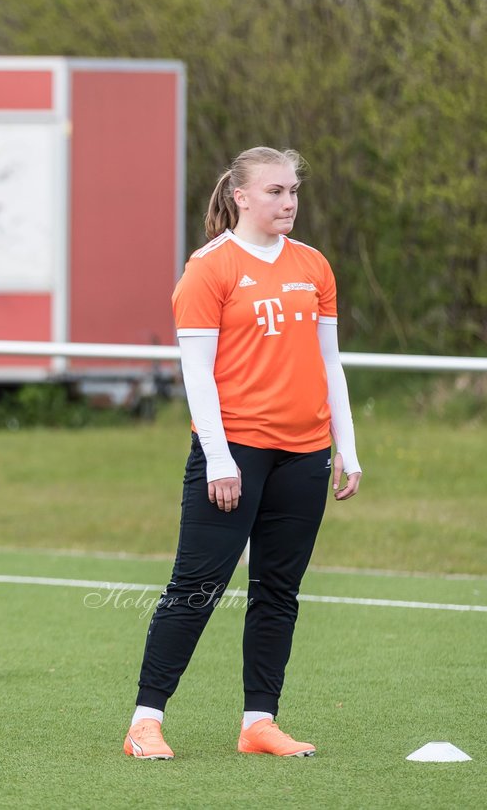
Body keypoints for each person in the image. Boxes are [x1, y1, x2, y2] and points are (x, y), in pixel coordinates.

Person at [124, 147, 362, 760]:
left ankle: (259, 722)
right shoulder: (209, 268)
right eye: (277, 191)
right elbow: (197, 373)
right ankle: (145, 721)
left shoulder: (314, 265)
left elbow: (329, 363)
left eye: (293, 192)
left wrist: (346, 446)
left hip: (305, 453)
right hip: (233, 453)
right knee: (196, 587)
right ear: (242, 197)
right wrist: (221, 457)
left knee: (278, 591)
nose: (289, 203)